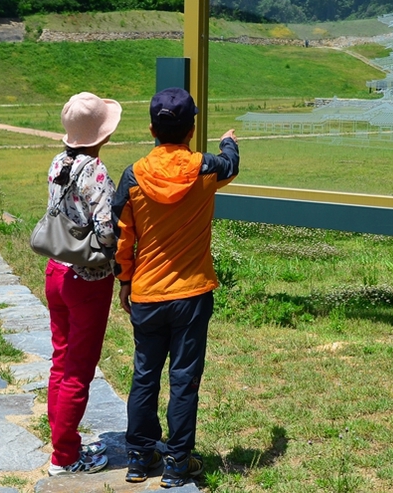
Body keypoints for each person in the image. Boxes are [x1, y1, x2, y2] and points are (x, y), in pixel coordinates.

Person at [112, 87, 239, 488]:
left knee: (144, 376)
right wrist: (229, 142)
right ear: (192, 128)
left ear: (152, 127)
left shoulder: (133, 175)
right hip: (192, 294)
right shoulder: (206, 169)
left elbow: (121, 239)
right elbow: (232, 165)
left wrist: (126, 281)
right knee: (184, 379)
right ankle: (177, 463)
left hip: (147, 293)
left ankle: (137, 457)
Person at [44, 92, 122, 476]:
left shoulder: (58, 162)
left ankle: (61, 439)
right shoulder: (96, 172)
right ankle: (66, 457)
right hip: (86, 278)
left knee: (60, 360)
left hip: (55, 271)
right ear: (101, 135)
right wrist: (115, 252)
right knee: (79, 368)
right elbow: (106, 229)